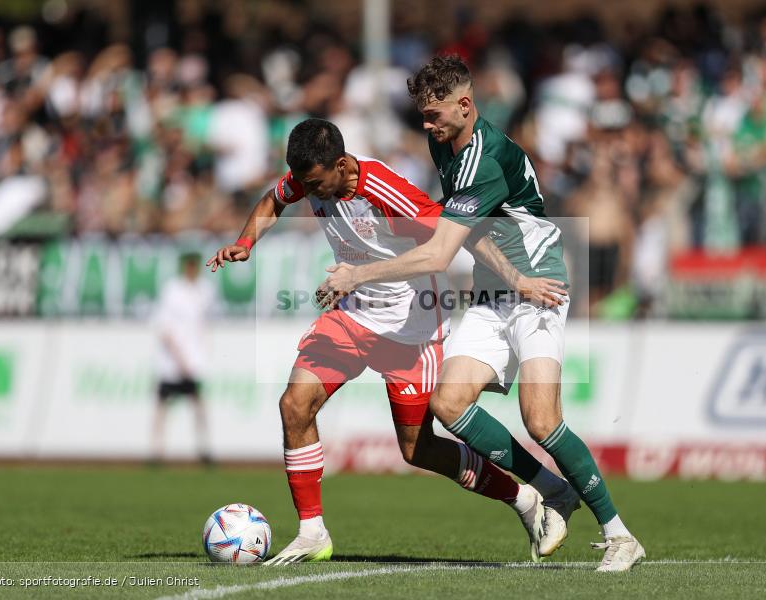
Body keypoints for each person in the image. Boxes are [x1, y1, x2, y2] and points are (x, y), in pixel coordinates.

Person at [324, 55, 645, 571]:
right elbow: (468, 229)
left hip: (540, 287)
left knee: (541, 420)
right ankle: (554, 491)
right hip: (498, 292)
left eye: (433, 115)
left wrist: (357, 275)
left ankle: (620, 535)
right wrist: (508, 277)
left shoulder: (483, 160)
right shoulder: (445, 143)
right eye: (422, 116)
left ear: (465, 105)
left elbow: (439, 254)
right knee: (448, 404)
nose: (426, 126)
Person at [207, 118, 576, 565]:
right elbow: (272, 199)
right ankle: (312, 533)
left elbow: (461, 233)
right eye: (305, 184)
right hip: (352, 315)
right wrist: (246, 241)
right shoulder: (309, 178)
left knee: (418, 449)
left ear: (341, 165)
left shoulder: (385, 192)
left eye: (316, 184)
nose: (309, 192)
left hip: (412, 325)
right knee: (294, 405)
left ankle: (523, 498)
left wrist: (516, 278)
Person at [151, 252, 215, 465]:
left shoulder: (204, 290)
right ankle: (156, 451)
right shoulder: (172, 290)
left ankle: (204, 449)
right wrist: (178, 357)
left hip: (193, 360)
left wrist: (198, 355)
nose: (192, 269)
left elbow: (202, 324)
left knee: (198, 404)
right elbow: (164, 327)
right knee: (162, 405)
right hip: (172, 361)